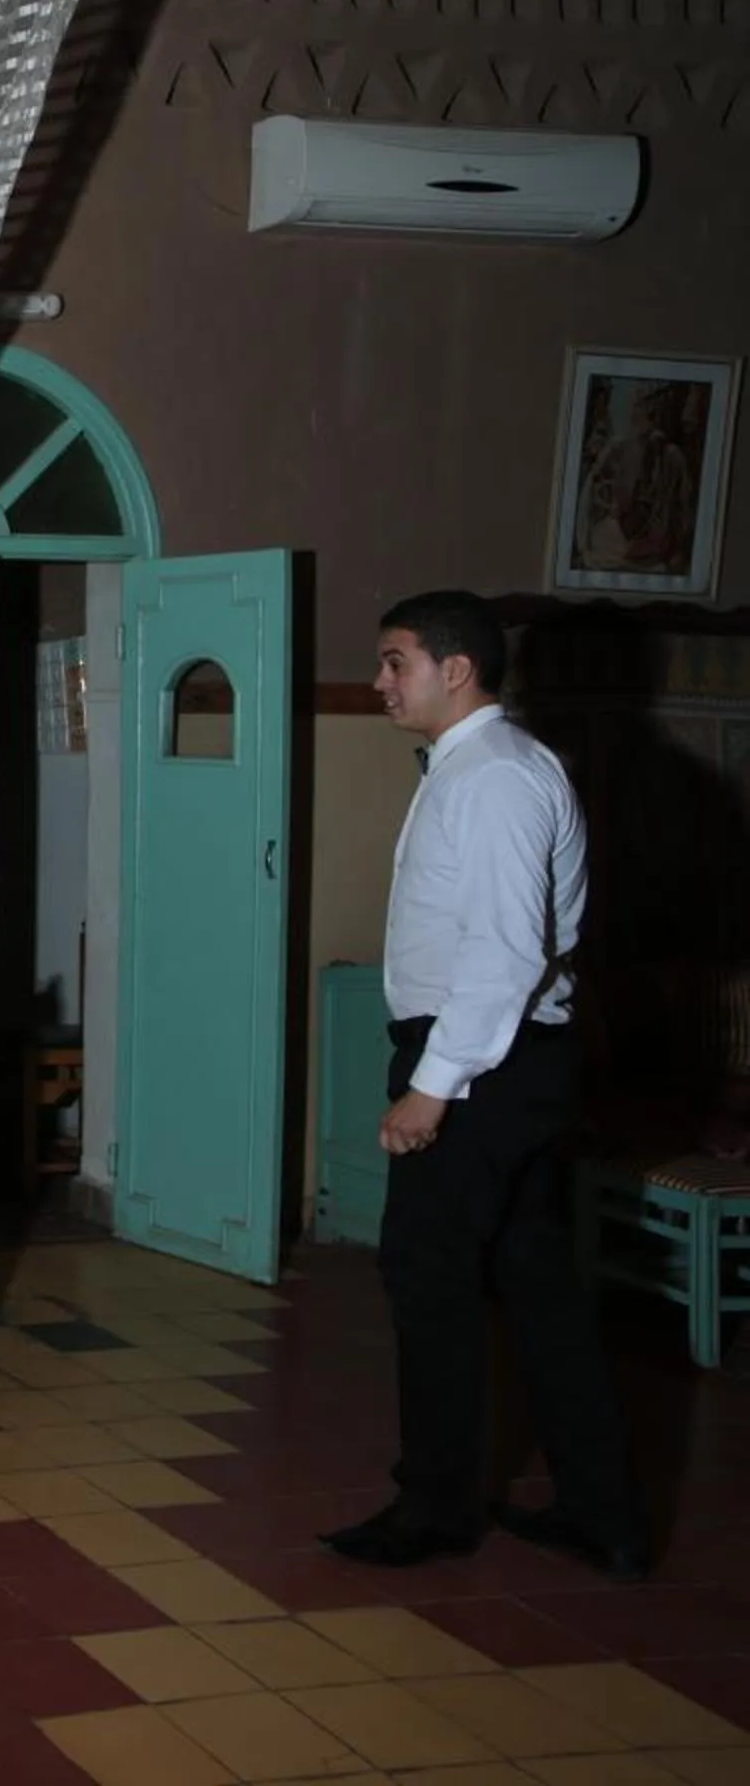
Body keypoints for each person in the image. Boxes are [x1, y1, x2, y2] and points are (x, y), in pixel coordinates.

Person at [320, 590, 649, 1580]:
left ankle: (437, 1506)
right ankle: (604, 1513)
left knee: (428, 1274)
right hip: (501, 1059)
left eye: (395, 661)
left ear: (455, 668)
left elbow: (505, 953)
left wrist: (432, 1086)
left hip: (482, 1063)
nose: (380, 681)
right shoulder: (476, 767)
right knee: (538, 1285)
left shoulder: (497, 776)